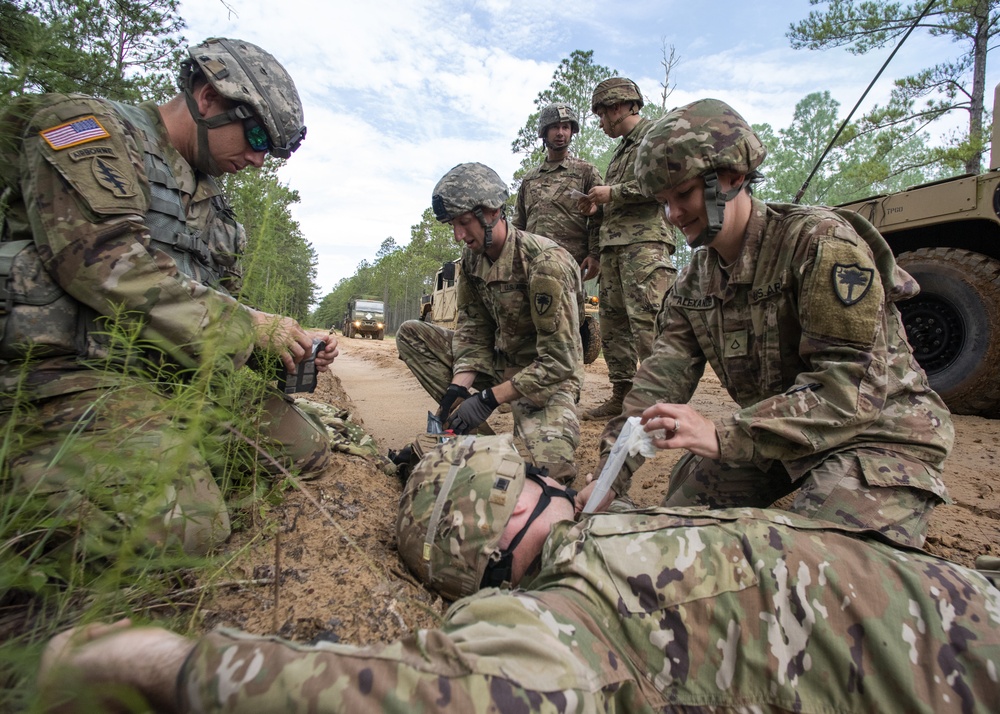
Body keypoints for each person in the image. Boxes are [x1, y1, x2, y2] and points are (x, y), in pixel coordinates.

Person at [37, 435, 1000, 712]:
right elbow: (435, 695)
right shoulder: (594, 595)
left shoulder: (599, 586)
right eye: (534, 479)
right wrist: (165, 662)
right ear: (510, 513)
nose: (559, 480)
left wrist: (166, 656)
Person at [0, 37, 338, 557]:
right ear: (207, 98)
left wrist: (284, 346)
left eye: (268, 150)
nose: (256, 158)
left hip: (169, 373)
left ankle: (175, 462)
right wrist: (248, 327)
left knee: (308, 450)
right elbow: (104, 263)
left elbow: (218, 299)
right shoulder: (91, 130)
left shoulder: (210, 202)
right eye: (253, 136)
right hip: (70, 373)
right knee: (191, 527)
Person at [577, 98, 954, 550]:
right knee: (679, 531)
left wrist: (723, 436)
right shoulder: (693, 282)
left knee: (816, 570)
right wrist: (607, 481)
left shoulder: (819, 245)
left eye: (683, 195)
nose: (674, 217)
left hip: (876, 437)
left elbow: (848, 392)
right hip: (775, 438)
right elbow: (657, 383)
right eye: (663, 202)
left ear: (732, 176)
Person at [396, 162, 583, 484]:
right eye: (453, 225)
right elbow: (473, 327)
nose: (458, 235)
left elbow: (560, 362)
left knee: (548, 475)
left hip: (545, 378)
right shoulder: (472, 259)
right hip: (500, 363)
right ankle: (472, 442)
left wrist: (487, 399)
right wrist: (460, 384)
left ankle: (496, 445)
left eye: (465, 222)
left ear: (493, 211)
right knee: (411, 334)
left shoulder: (545, 264)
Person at [578, 77, 677, 420]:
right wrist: (598, 205)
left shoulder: (656, 136)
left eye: (602, 115)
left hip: (645, 246)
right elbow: (619, 195)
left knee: (649, 321)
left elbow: (665, 183)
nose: (601, 122)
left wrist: (612, 193)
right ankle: (622, 394)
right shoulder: (621, 149)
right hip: (613, 249)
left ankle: (661, 403)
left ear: (618, 107)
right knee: (613, 325)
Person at [512, 102, 603, 364]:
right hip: (530, 267)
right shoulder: (530, 179)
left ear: (572, 132)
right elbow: (518, 224)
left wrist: (594, 253)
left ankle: (567, 393)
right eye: (554, 127)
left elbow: (598, 217)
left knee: (567, 330)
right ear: (544, 132)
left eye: (565, 127)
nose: (560, 132)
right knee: (528, 329)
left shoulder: (585, 172)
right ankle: (526, 389)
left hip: (568, 267)